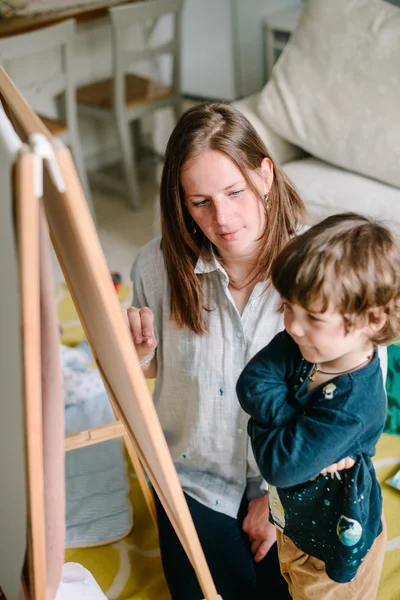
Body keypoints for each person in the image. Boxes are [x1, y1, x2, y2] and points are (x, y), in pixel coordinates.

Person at [124, 102, 361, 599]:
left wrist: (277, 502)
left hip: (292, 479)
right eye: (200, 202)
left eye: (235, 192)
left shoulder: (317, 269)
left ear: (265, 175)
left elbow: (347, 400)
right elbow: (155, 374)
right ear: (181, 203)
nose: (223, 218)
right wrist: (140, 355)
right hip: (192, 476)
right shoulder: (154, 266)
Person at [236, 213, 400, 599]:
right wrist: (293, 427)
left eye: (313, 316)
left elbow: (279, 466)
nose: (292, 325)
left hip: (336, 549)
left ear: (371, 320)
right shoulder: (305, 345)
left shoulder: (354, 406)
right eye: (289, 307)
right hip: (293, 525)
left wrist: (267, 424)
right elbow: (250, 382)